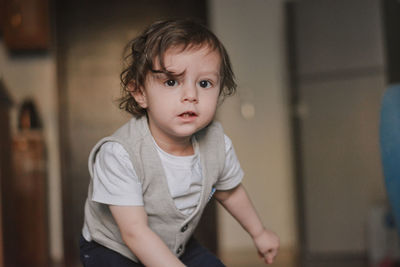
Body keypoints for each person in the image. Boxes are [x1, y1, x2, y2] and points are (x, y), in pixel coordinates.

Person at [80, 18, 279, 267]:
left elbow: (230, 193)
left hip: (173, 243)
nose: (191, 96)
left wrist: (258, 232)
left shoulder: (217, 145)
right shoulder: (119, 154)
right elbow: (134, 233)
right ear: (140, 92)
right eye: (172, 82)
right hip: (114, 247)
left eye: (204, 83)